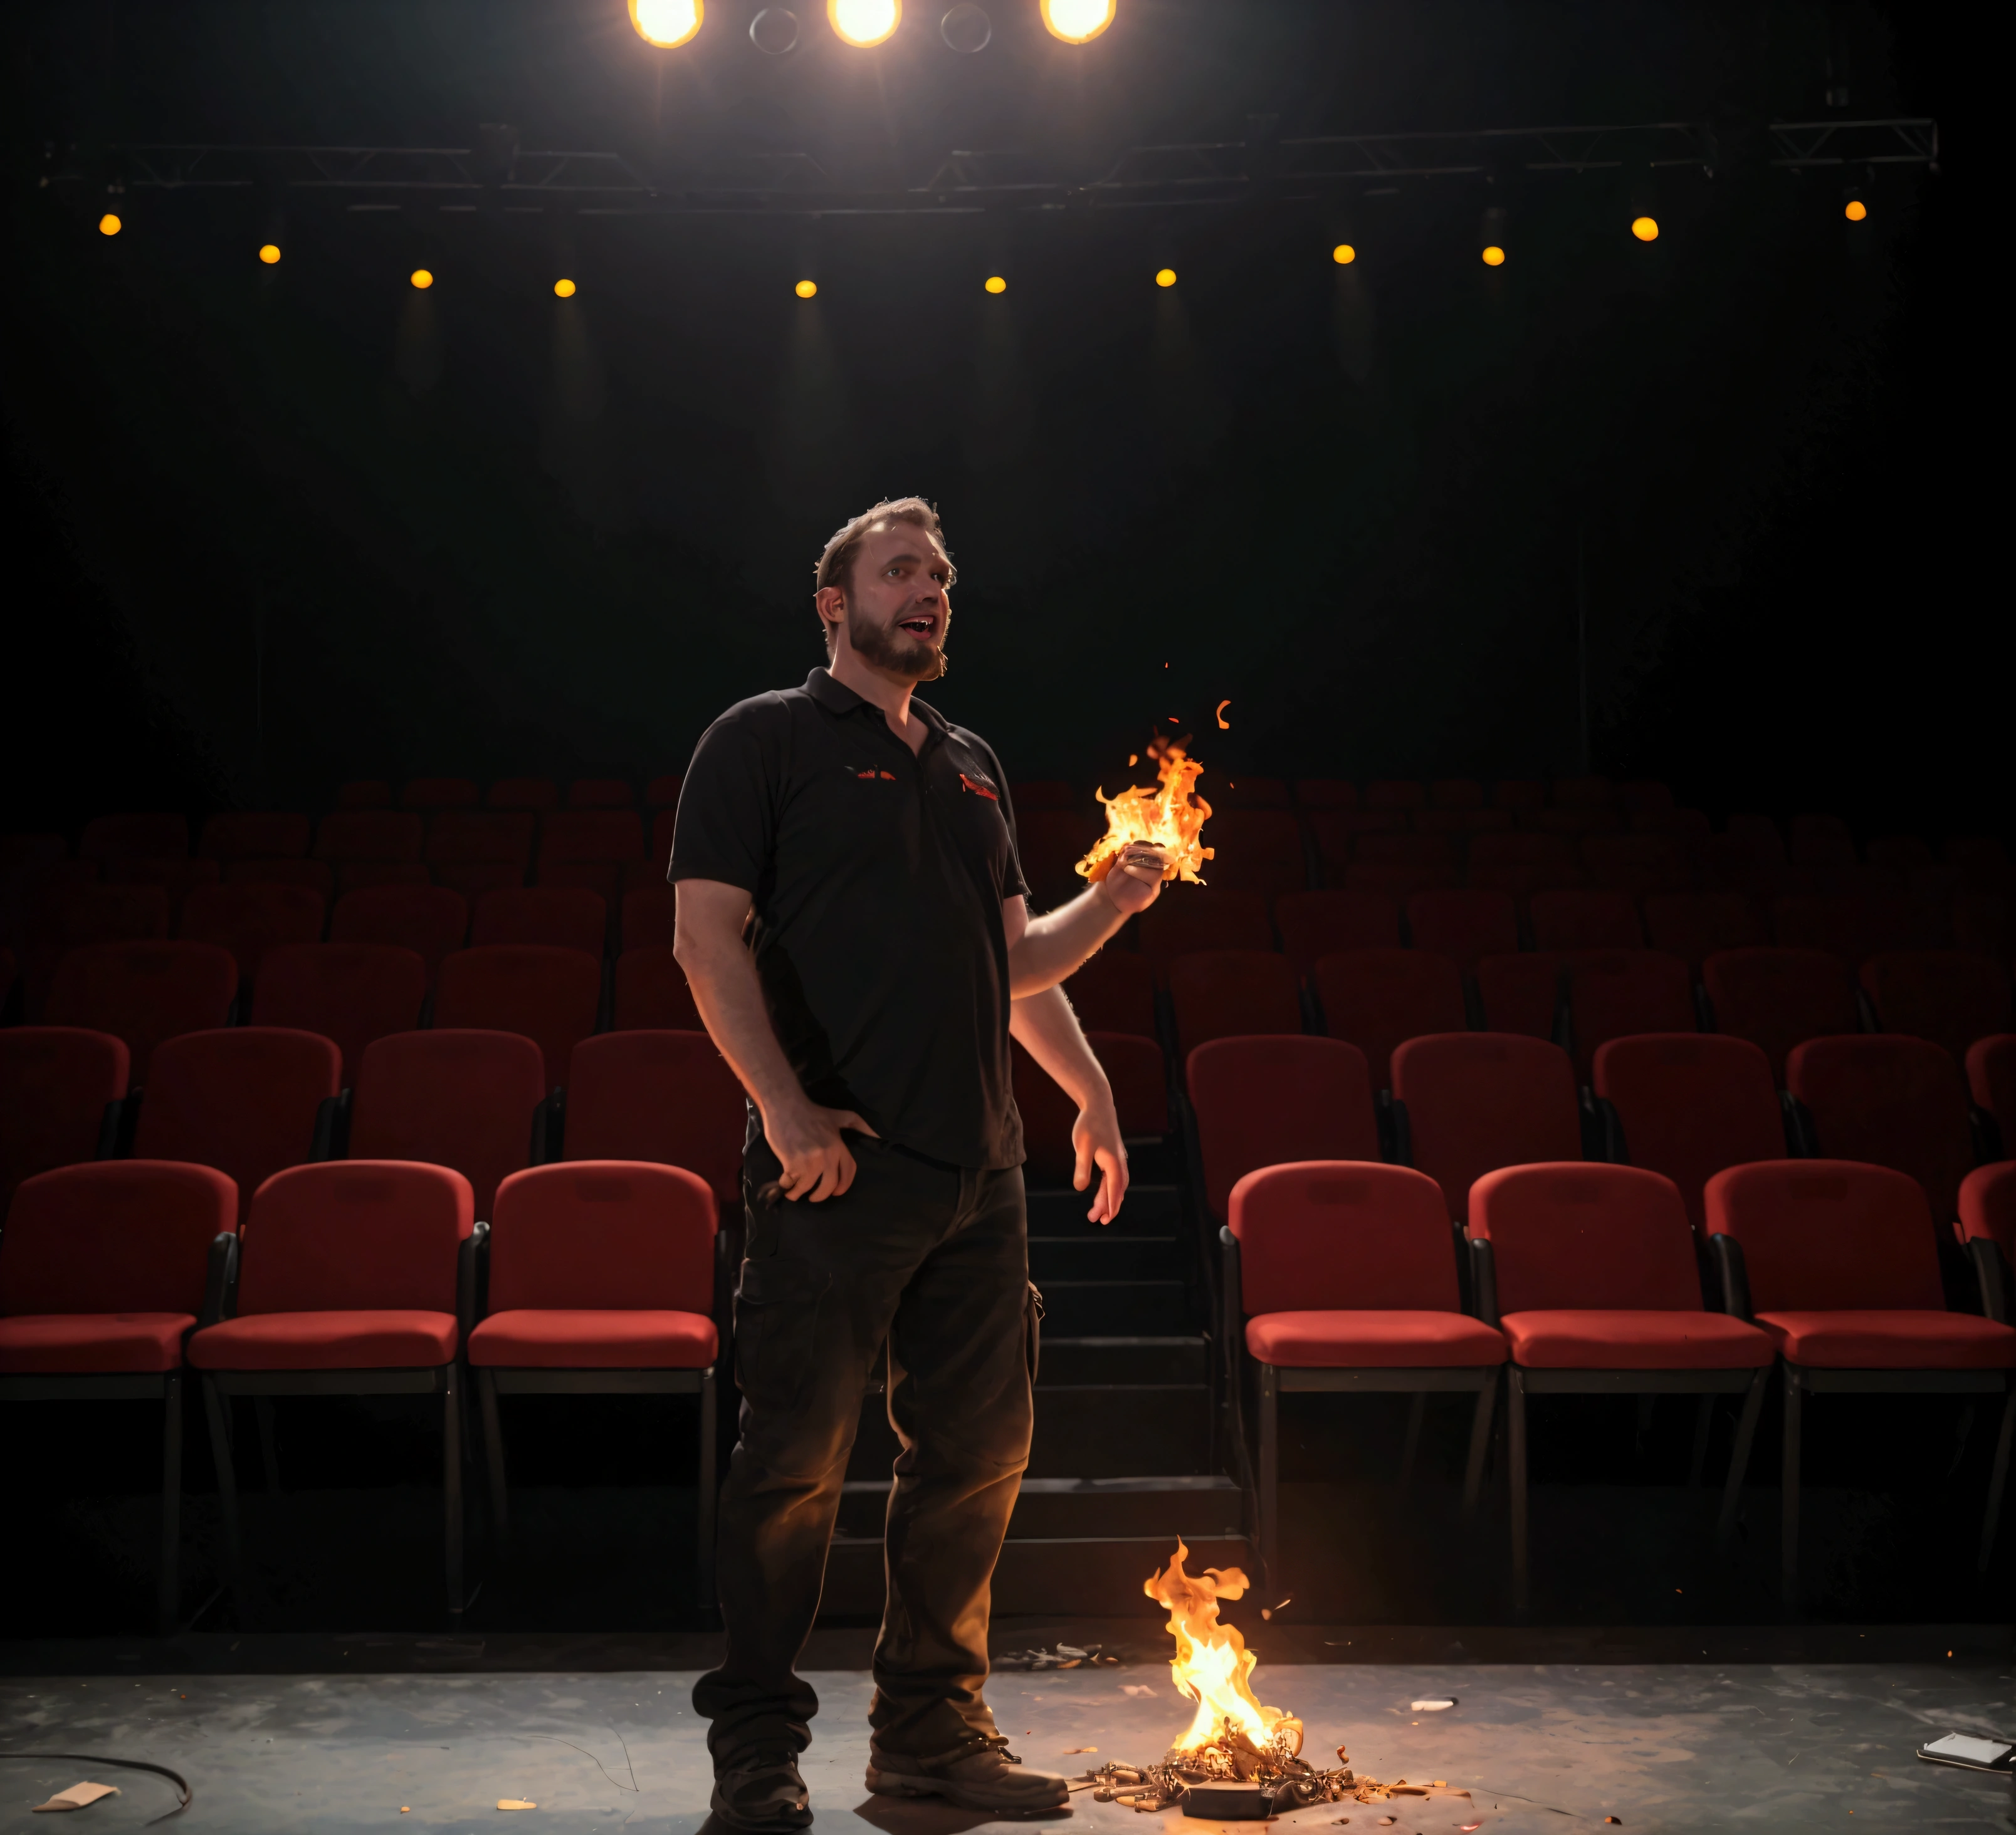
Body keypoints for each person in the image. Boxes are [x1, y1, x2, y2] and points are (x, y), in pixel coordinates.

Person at [670, 497, 1169, 1830]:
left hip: (980, 1180)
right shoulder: (762, 741)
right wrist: (784, 1111)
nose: (929, 591)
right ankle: (760, 1754)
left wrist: (1098, 1071)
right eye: (900, 572)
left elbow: (1012, 965)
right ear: (834, 603)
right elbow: (704, 941)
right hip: (838, 1171)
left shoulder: (972, 762)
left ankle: (929, 1742)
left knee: (978, 1459)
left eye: (941, 575)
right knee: (793, 1470)